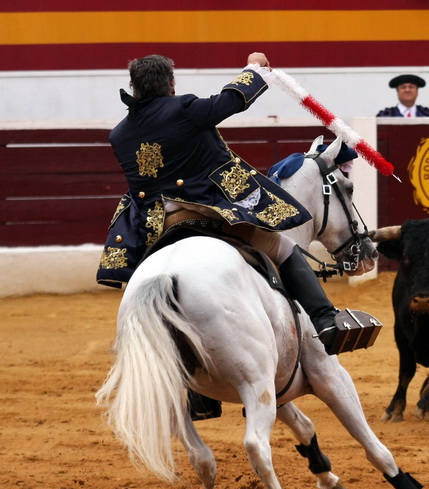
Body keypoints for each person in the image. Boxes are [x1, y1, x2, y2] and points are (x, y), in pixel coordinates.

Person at [96, 52, 367, 358]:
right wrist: (254, 68)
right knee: (283, 247)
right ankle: (326, 320)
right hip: (202, 210)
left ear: (134, 87)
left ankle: (197, 395)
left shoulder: (119, 134)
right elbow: (231, 100)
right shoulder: (184, 109)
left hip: (153, 227)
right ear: (171, 84)